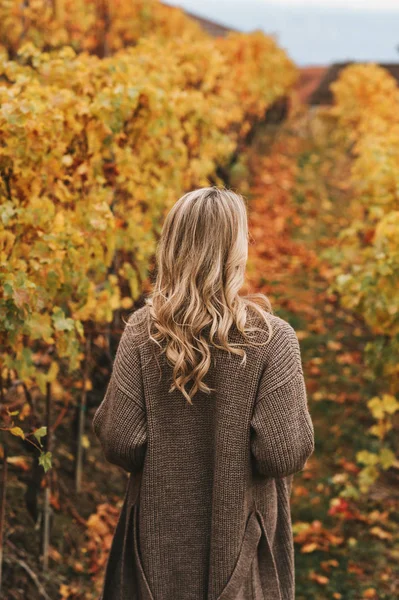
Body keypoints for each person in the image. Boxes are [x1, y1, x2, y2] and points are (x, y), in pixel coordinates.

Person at [92, 186, 315, 600]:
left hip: (154, 547)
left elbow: (120, 440)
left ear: (172, 247)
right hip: (240, 544)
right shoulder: (271, 339)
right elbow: (282, 453)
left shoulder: (142, 332)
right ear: (235, 252)